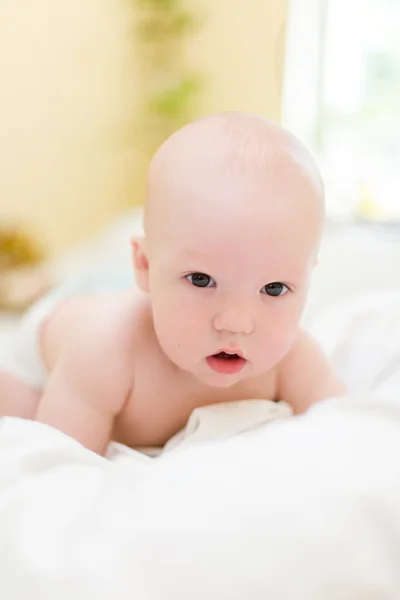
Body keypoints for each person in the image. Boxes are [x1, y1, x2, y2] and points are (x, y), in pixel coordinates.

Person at [0, 112, 346, 455]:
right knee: (19, 411)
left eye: (273, 289)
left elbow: (349, 433)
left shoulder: (293, 358)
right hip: (63, 322)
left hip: (150, 288)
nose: (236, 322)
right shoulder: (105, 353)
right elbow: (57, 469)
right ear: (144, 265)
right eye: (201, 280)